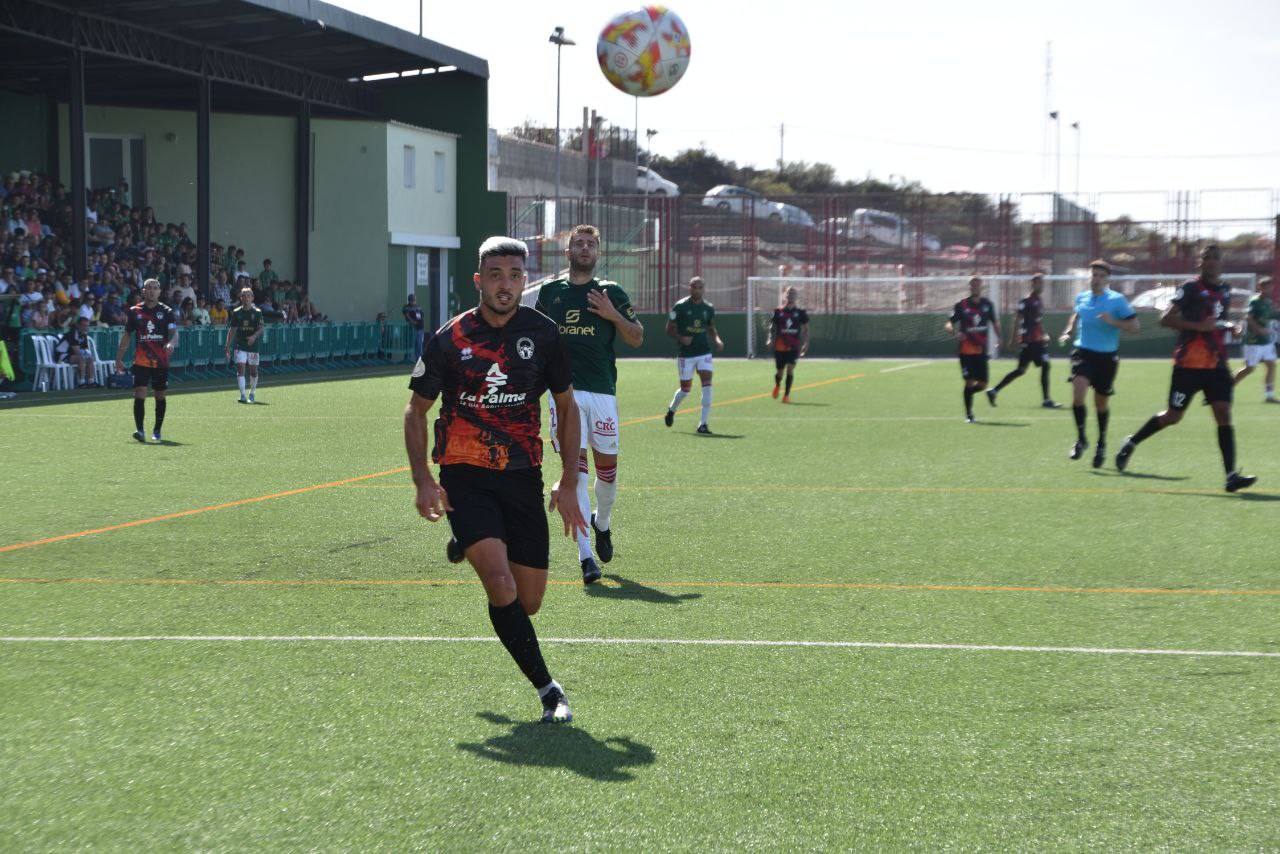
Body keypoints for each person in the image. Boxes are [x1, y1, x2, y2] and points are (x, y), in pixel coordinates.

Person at [404, 236, 586, 724]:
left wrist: (568, 481)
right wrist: (424, 479)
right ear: (478, 280)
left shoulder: (544, 334)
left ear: (524, 281)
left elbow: (567, 409)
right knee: (501, 586)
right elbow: (415, 411)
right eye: (495, 275)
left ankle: (469, 541)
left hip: (523, 474)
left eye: (514, 275)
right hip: (464, 473)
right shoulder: (450, 338)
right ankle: (549, 691)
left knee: (529, 601)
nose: (505, 285)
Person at [532, 224, 644, 583]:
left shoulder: (611, 292)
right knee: (575, 473)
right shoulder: (550, 294)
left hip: (602, 393)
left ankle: (602, 522)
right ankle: (586, 558)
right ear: (567, 253)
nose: (584, 248)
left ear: (597, 253)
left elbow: (637, 337)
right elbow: (534, 342)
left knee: (607, 476)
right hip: (563, 395)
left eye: (590, 244)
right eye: (577, 243)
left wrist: (612, 314)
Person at [1115, 245, 1256, 491]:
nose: (1211, 262)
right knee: (1173, 416)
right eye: (1207, 258)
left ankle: (1231, 475)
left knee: (1223, 414)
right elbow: (1165, 319)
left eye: (1216, 258)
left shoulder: (1224, 290)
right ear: (1199, 263)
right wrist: (1198, 327)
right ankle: (1131, 442)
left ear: (1221, 263)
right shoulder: (1190, 288)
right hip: (1188, 364)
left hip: (1216, 363)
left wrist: (1230, 325)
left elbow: (1216, 319)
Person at [1057, 260, 1139, 466]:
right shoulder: (1082, 297)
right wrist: (1068, 331)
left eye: (1101, 276)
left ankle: (1101, 443)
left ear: (1107, 279)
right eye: (1094, 275)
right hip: (1083, 352)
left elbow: (1135, 326)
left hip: (1107, 358)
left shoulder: (1117, 300)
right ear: (1089, 277)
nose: (1097, 279)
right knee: (1078, 394)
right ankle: (1082, 439)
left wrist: (1114, 322)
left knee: (1100, 404)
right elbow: (1076, 314)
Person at [114, 278, 177, 443]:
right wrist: (119, 358)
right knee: (139, 394)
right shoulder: (134, 311)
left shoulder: (167, 311)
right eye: (149, 288)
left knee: (159, 396)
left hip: (160, 362)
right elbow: (127, 336)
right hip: (141, 362)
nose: (152, 291)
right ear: (143, 291)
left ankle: (157, 430)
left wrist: (171, 343)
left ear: (159, 292)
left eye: (155, 288)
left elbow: (174, 333)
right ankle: (140, 430)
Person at [986, 273, 1061, 409]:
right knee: (1045, 365)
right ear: (1032, 284)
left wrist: (1043, 334)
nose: (1041, 285)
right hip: (1030, 341)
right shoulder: (1026, 301)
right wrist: (1014, 339)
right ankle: (1046, 400)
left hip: (1035, 340)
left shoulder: (1039, 300)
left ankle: (994, 391)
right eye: (1038, 283)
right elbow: (1017, 319)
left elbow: (1037, 321)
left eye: (1042, 283)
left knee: (1020, 370)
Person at [663, 276, 724, 433]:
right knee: (685, 390)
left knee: (707, 384)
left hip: (704, 352)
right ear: (689, 288)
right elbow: (669, 328)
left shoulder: (708, 308)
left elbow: (711, 328)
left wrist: (717, 340)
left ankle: (703, 424)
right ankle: (671, 410)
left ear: (704, 289)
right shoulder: (680, 307)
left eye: (700, 287)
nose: (697, 290)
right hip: (686, 354)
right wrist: (681, 338)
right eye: (694, 287)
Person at [944, 276, 1000, 423]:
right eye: (973, 284)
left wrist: (999, 339)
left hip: (981, 351)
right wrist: (955, 333)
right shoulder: (961, 305)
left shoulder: (987, 304)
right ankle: (969, 414)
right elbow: (949, 323)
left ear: (981, 286)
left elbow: (995, 322)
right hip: (966, 352)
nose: (975, 287)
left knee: (982, 384)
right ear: (970, 287)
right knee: (969, 382)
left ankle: (968, 394)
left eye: (978, 284)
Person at [1233, 275, 1276, 402]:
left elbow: (1272, 315)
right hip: (1253, 341)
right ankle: (1227, 388)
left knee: (1271, 365)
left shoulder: (1269, 303)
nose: (1269, 289)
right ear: (1260, 287)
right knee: (1249, 369)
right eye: (1266, 287)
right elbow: (1248, 318)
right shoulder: (1254, 301)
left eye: (1270, 287)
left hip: (1266, 342)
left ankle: (1269, 396)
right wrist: (1259, 330)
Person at [766, 285, 809, 402]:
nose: (791, 295)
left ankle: (786, 395)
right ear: (785, 295)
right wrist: (770, 338)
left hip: (794, 346)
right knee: (780, 372)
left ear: (796, 297)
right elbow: (772, 326)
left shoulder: (801, 313)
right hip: (780, 347)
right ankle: (777, 385)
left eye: (793, 293)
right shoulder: (778, 311)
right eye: (789, 293)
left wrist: (805, 343)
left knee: (790, 369)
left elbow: (805, 329)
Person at [225, 286, 264, 404]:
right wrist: (227, 346)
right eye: (244, 296)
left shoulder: (257, 313)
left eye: (248, 296)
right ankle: (242, 395)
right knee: (240, 368)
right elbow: (232, 330)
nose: (246, 298)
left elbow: (261, 328)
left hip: (253, 346)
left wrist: (253, 336)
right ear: (241, 298)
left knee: (253, 371)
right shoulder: (236, 313)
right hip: (240, 345)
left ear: (252, 298)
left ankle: (252, 393)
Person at [55, 316, 97, 387]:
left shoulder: (83, 335)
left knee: (90, 359)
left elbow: (85, 350)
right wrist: (85, 355)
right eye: (83, 325)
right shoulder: (72, 333)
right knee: (81, 358)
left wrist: (89, 356)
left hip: (73, 355)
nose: (85, 328)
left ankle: (91, 382)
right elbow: (77, 351)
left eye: (87, 326)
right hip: (61, 356)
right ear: (78, 325)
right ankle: (81, 382)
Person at [403, 292, 426, 362]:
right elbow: (407, 315)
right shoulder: (406, 307)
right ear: (409, 300)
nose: (414, 301)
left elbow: (422, 315)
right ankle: (408, 358)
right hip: (412, 328)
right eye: (412, 300)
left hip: (420, 327)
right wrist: (412, 321)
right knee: (411, 344)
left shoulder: (418, 306)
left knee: (419, 344)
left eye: (414, 300)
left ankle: (419, 359)